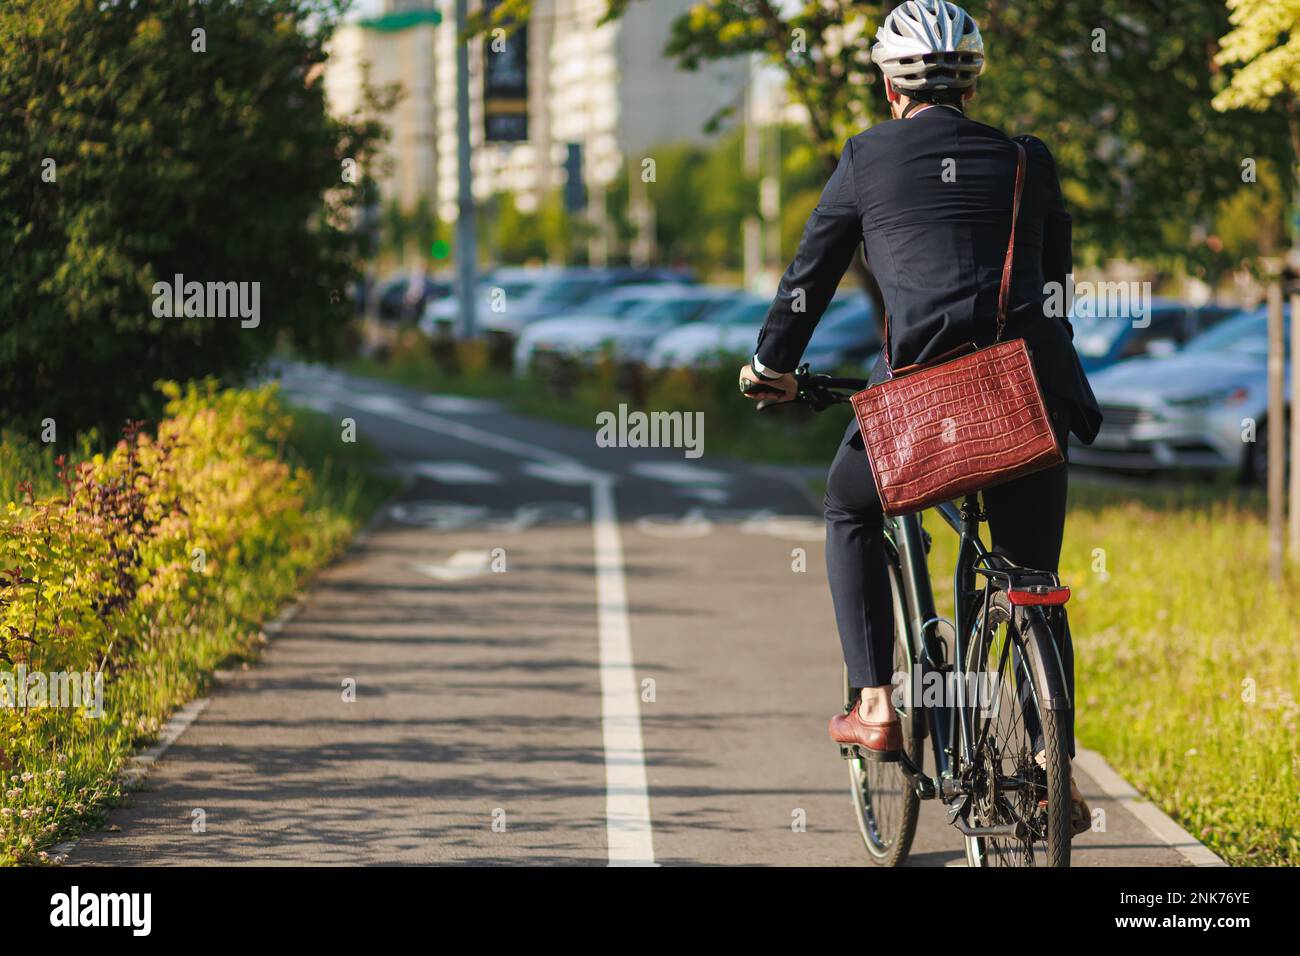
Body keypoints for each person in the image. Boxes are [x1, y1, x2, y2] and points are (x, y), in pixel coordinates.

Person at [738, 0, 1101, 832]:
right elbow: (1054, 287)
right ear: (972, 80)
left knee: (847, 506)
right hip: (1025, 405)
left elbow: (810, 277)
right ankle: (1052, 763)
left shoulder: (866, 158)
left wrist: (773, 365)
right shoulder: (1025, 159)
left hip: (920, 413)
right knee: (1030, 583)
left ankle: (874, 703)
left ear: (888, 81)